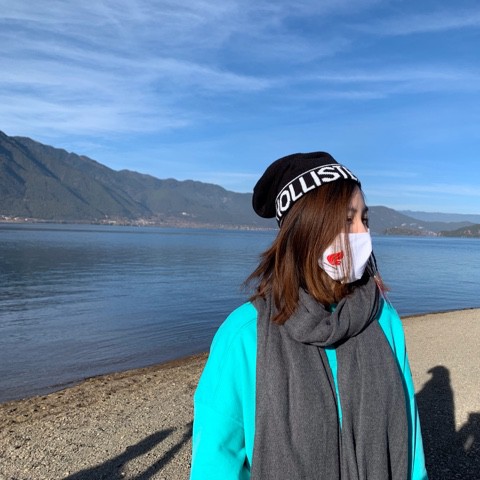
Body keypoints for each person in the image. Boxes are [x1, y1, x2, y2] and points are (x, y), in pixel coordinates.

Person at [190, 152, 427, 480]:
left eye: (365, 219)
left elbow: (410, 444)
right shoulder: (244, 335)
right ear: (306, 231)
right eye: (347, 220)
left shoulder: (382, 319)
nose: (363, 234)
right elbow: (215, 463)